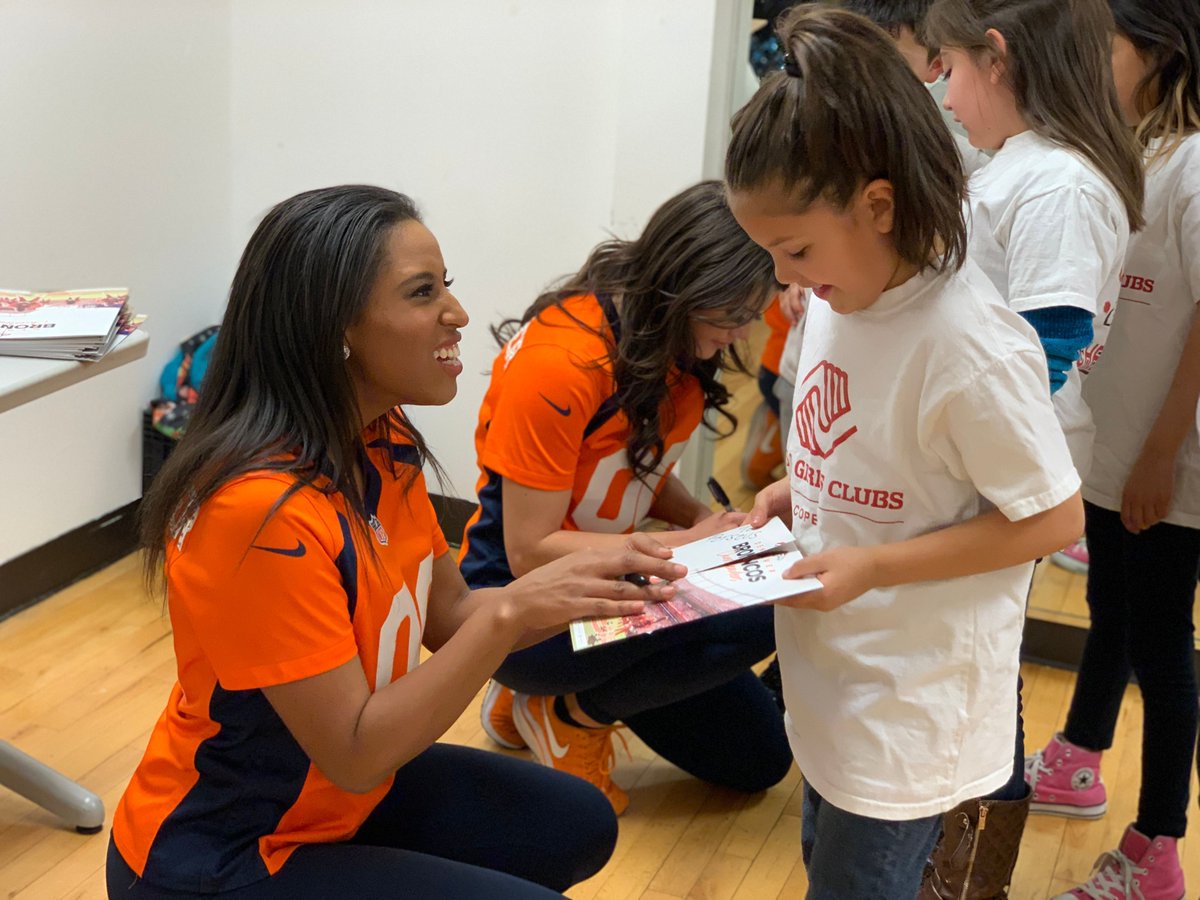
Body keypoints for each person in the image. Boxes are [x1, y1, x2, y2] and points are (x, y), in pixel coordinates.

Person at [108, 185, 691, 899]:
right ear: (336, 331)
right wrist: (514, 610)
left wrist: (584, 590)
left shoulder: (381, 439)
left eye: (446, 285)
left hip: (340, 800)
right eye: (422, 294)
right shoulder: (256, 513)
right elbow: (356, 752)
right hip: (227, 853)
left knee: (575, 823)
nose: (458, 314)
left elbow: (448, 621)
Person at [725, 7, 1084, 898]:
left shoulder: (968, 343)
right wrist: (789, 490)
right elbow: (853, 439)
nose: (784, 277)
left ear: (878, 206)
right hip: (836, 683)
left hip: (911, 712)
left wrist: (877, 565)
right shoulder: (840, 297)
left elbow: (1052, 517)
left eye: (795, 248)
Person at [459, 180, 793, 814]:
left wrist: (701, 517)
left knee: (758, 761)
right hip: (531, 617)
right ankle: (567, 711)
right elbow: (530, 551)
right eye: (735, 316)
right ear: (689, 288)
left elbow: (628, 470)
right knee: (768, 605)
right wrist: (689, 544)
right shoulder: (561, 363)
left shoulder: (663, 335)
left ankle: (536, 706)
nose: (745, 331)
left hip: (621, 590)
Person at [920, 0, 1144, 892]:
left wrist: (970, 465)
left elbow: (1046, 350)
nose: (943, 90)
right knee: (966, 682)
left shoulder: (1058, 184)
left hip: (1001, 477)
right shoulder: (1017, 166)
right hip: (978, 468)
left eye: (949, 67)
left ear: (999, 56)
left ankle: (970, 878)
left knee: (980, 692)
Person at [1023, 1, 1200, 896]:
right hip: (1117, 444)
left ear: (1160, 53)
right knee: (1113, 607)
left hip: (1169, 461)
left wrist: (1163, 453)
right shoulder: (1130, 150)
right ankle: (1080, 759)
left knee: (1163, 639)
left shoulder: (1199, 161)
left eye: (1109, 49)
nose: (1093, 64)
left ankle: (1157, 849)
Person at [838, 0, 990, 176]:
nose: (865, 70)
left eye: (888, 58)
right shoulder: (811, 124)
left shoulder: (959, 162)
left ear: (935, 66)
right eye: (852, 52)